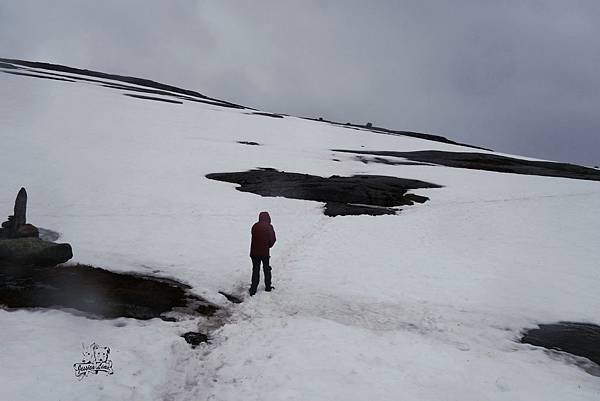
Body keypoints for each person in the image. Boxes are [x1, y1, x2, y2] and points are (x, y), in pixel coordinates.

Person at [249, 211, 276, 296]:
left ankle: (253, 289)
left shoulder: (255, 226)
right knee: (266, 269)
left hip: (254, 252)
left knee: (255, 269)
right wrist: (268, 245)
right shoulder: (269, 226)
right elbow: (273, 239)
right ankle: (268, 287)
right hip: (264, 253)